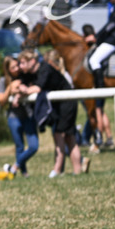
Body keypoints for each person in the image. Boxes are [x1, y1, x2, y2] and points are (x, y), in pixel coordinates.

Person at [18, 49, 87, 177]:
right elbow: (21, 83)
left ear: (32, 61)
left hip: (67, 103)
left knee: (59, 135)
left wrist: (24, 90)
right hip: (58, 104)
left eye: (22, 63)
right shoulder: (29, 73)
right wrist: (21, 87)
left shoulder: (45, 69)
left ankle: (57, 170)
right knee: (69, 138)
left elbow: (37, 88)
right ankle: (77, 171)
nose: (20, 66)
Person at [0, 56, 38, 177]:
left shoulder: (25, 76)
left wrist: (19, 92)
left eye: (17, 65)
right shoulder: (3, 81)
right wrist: (10, 88)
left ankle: (14, 167)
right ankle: (24, 173)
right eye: (13, 67)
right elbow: (2, 101)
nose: (17, 68)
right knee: (19, 146)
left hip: (28, 115)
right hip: (14, 117)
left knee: (33, 146)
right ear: (7, 69)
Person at [81, 23, 114, 151]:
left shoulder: (90, 48)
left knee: (98, 111)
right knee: (102, 111)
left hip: (97, 86)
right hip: (103, 84)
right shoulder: (99, 43)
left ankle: (99, 139)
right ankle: (109, 138)